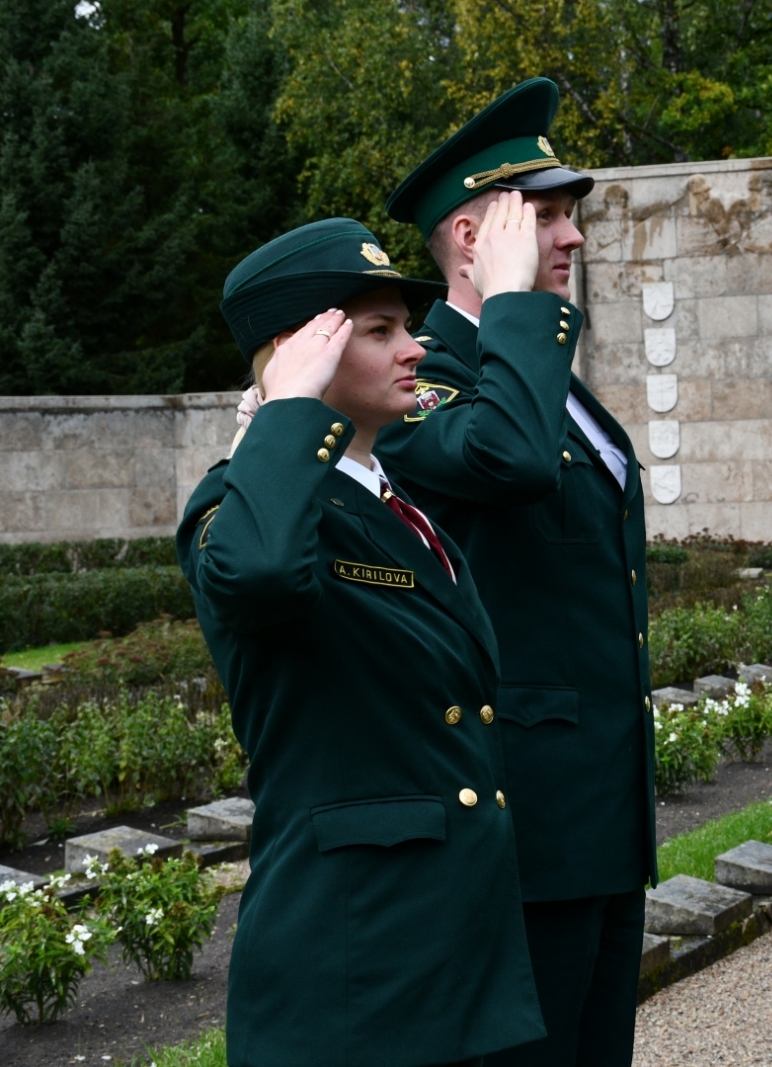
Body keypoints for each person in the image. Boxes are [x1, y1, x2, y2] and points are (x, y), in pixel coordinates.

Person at [178, 216, 548, 1067]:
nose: (415, 349)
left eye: (406, 326)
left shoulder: (391, 502)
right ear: (303, 349)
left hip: (446, 958)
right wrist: (289, 407)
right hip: (351, 978)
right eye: (380, 331)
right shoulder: (240, 508)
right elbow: (261, 575)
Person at [376, 78, 655, 1067]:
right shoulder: (421, 381)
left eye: (573, 213)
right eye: (546, 217)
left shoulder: (540, 374)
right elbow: (511, 464)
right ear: (469, 238)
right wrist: (508, 310)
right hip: (525, 818)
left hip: (601, 810)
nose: (573, 237)